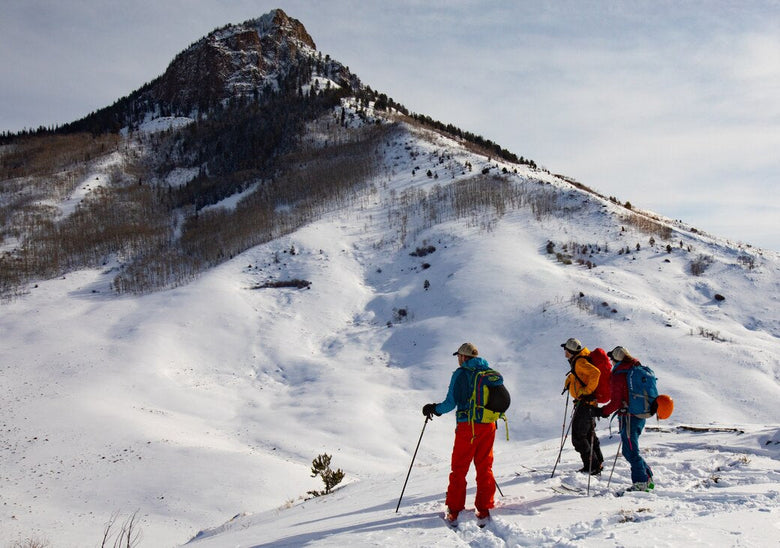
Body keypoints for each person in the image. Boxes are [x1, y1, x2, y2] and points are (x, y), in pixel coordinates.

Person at [422, 342, 496, 526]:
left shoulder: (460, 374)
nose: (458, 360)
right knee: (484, 466)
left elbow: (450, 403)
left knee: (459, 469)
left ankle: (455, 510)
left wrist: (434, 409)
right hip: (489, 425)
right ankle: (485, 507)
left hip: (467, 427)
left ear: (463, 357)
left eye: (458, 357)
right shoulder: (488, 373)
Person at [599, 346, 654, 491]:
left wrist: (603, 411)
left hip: (628, 416)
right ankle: (647, 475)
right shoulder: (636, 369)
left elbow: (616, 401)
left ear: (616, 359)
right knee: (628, 450)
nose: (610, 361)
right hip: (639, 415)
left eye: (612, 359)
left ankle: (641, 482)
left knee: (631, 450)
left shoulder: (620, 374)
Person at [561, 337, 604, 474]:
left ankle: (592, 466)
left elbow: (595, 373)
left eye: (566, 349)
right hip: (589, 404)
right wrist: (569, 380)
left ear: (571, 351)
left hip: (585, 404)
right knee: (589, 434)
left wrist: (586, 391)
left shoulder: (580, 362)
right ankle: (597, 462)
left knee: (579, 437)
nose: (564, 352)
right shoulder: (578, 361)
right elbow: (580, 376)